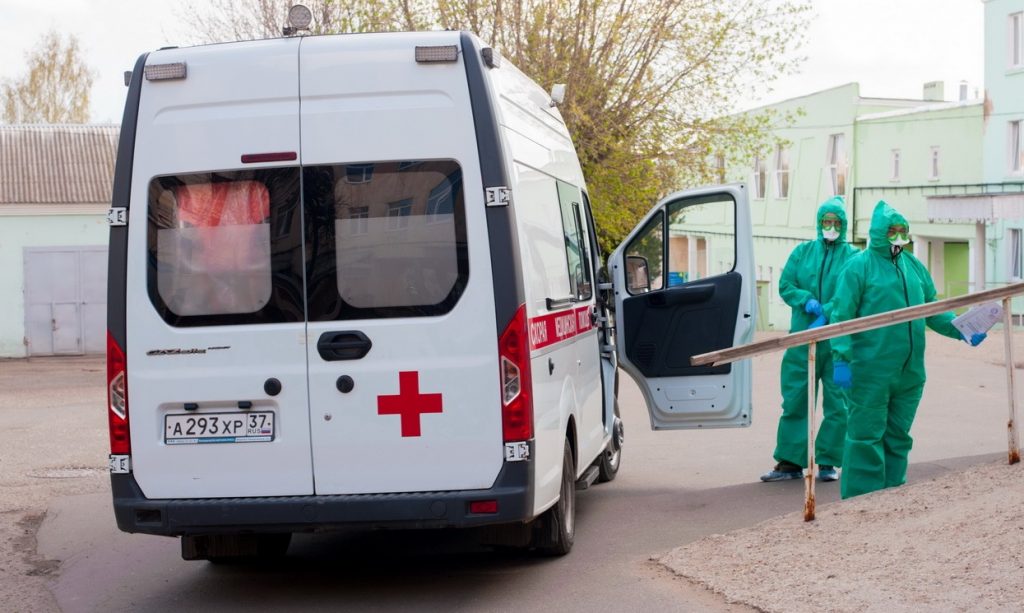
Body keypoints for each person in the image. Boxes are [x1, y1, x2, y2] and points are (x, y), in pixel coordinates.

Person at [829, 200, 986, 499]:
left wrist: (962, 329)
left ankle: (892, 496)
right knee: (866, 437)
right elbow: (841, 317)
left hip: (909, 372)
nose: (899, 236)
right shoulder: (858, 267)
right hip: (869, 371)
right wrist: (841, 358)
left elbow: (934, 310)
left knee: (898, 436)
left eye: (903, 230)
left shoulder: (913, 266)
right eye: (892, 230)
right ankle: (862, 501)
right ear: (878, 232)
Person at [761, 197, 859, 483]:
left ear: (843, 225)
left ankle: (828, 461)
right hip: (801, 338)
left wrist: (826, 312)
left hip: (836, 339)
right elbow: (786, 284)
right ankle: (790, 462)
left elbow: (849, 293)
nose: (831, 227)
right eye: (826, 221)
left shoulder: (853, 257)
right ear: (819, 223)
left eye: (836, 222)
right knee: (795, 399)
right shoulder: (802, 252)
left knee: (837, 403)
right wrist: (806, 302)